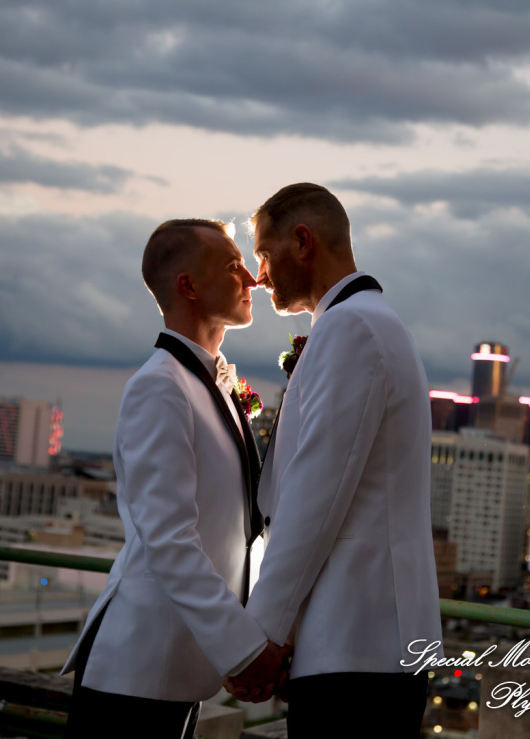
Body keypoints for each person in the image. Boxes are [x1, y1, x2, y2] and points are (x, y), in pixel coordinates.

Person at [228, 184, 443, 737]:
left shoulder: (351, 329)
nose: (259, 275)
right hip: (366, 644)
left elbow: (313, 497)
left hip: (357, 646)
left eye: (264, 253)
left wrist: (263, 634)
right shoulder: (367, 323)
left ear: (303, 242)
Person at [62, 219, 289, 738]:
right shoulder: (159, 387)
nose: (252, 279)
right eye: (233, 266)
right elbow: (169, 541)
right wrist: (243, 646)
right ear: (188, 286)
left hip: (178, 669)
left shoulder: (206, 382)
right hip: (137, 670)